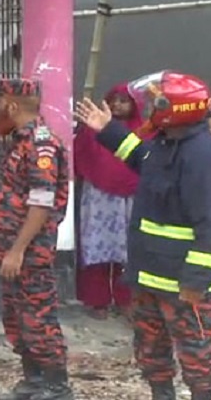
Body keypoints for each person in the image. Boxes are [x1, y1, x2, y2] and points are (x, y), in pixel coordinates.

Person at [75, 71, 211, 400]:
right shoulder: (165, 144)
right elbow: (140, 157)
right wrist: (108, 130)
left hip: (184, 286)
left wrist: (196, 282)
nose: (147, 109)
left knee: (197, 358)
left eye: (155, 103)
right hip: (149, 278)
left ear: (174, 109)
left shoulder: (204, 158)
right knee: (152, 355)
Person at [0, 78, 73, 400]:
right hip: (12, 252)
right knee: (17, 319)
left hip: (30, 254)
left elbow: (41, 203)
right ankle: (33, 383)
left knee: (38, 319)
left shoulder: (41, 145)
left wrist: (17, 250)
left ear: (11, 106)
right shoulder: (20, 142)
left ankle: (57, 387)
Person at [73, 83, 149, 318]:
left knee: (129, 250)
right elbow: (79, 155)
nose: (117, 105)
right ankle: (97, 300)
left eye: (124, 101)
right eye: (113, 100)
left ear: (135, 105)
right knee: (97, 248)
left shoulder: (145, 131)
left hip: (132, 196)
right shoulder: (93, 129)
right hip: (99, 196)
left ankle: (126, 299)